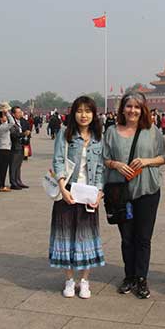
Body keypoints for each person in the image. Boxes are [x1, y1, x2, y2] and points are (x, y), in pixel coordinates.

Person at [103, 92, 165, 299]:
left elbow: (163, 157)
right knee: (127, 238)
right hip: (121, 194)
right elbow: (104, 158)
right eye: (129, 106)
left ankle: (141, 278)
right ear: (122, 109)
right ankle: (129, 276)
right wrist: (116, 164)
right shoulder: (111, 131)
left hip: (147, 191)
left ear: (143, 110)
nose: (133, 110)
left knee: (143, 238)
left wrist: (146, 161)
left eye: (137, 107)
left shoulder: (152, 131)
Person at [50, 96, 105, 299]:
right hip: (68, 190)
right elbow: (57, 162)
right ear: (74, 113)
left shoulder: (99, 137)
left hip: (89, 193)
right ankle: (69, 280)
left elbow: (100, 168)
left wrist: (99, 193)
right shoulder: (65, 134)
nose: (84, 115)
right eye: (80, 111)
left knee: (87, 238)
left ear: (93, 114)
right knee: (65, 236)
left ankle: (85, 281)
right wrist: (63, 189)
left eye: (88, 111)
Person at [0, 107, 14, 192]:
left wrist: (5, 113)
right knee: (2, 169)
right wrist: (7, 113)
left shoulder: (1, 126)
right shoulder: (2, 127)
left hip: (2, 149)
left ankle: (0, 185)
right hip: (4, 149)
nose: (5, 117)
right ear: (1, 119)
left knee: (1, 169)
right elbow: (12, 123)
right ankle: (1, 186)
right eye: (4, 116)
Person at [8, 106, 28, 190]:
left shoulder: (21, 121)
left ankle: (18, 181)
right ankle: (13, 182)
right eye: (18, 112)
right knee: (13, 165)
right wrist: (23, 134)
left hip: (21, 145)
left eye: (21, 112)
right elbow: (13, 135)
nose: (20, 114)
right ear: (13, 114)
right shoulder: (12, 123)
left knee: (18, 165)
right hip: (14, 146)